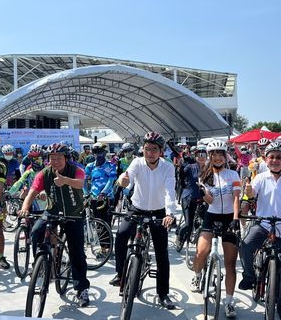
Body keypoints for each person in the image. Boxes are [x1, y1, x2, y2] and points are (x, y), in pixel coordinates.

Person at [239, 142, 281, 320]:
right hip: (262, 224)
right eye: (272, 157)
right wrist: (248, 193)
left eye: (279, 157)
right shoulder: (260, 177)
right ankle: (249, 276)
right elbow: (251, 193)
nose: (275, 160)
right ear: (266, 159)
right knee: (245, 245)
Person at [18, 142, 91, 307]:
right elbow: (33, 191)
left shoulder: (76, 170)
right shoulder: (44, 174)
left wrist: (65, 180)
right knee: (36, 231)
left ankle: (82, 289)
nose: (55, 161)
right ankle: (41, 264)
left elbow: (80, 184)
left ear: (66, 158)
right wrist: (24, 207)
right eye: (52, 158)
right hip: (52, 212)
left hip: (74, 214)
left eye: (59, 158)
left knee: (77, 253)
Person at [110, 131, 177, 309]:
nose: (150, 153)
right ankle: (119, 273)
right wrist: (123, 180)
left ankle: (163, 293)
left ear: (161, 151)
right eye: (147, 149)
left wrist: (170, 213)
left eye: (154, 149)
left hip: (159, 211)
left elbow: (170, 192)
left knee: (162, 253)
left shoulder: (168, 167)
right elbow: (127, 179)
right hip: (137, 208)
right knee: (122, 235)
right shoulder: (137, 162)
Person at [189, 140, 241, 318]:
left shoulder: (233, 174)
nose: (217, 157)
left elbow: (236, 198)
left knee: (230, 264)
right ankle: (197, 275)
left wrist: (235, 219)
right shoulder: (204, 175)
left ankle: (229, 302)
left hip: (229, 218)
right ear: (209, 156)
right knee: (201, 252)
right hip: (211, 216)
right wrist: (204, 193)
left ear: (225, 156)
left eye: (220, 154)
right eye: (214, 154)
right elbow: (210, 201)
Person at [175, 144, 207, 251]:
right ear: (195, 156)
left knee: (207, 224)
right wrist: (183, 163)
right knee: (188, 224)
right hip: (189, 197)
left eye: (204, 154)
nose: (201, 156)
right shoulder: (190, 167)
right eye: (199, 154)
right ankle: (180, 236)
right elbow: (181, 176)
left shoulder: (210, 169)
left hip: (204, 199)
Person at [83, 142, 116, 225]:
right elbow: (84, 181)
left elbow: (110, 181)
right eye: (96, 153)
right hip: (94, 197)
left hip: (107, 197)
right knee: (96, 222)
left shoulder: (110, 166)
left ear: (105, 153)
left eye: (100, 153)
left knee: (106, 223)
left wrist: (103, 192)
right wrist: (86, 193)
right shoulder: (90, 166)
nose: (98, 155)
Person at [8, 147, 47, 214]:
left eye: (39, 158)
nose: (37, 161)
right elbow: (19, 183)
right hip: (32, 202)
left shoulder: (47, 171)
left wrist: (44, 193)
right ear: (31, 160)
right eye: (35, 159)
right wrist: (9, 193)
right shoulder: (28, 172)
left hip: (46, 204)